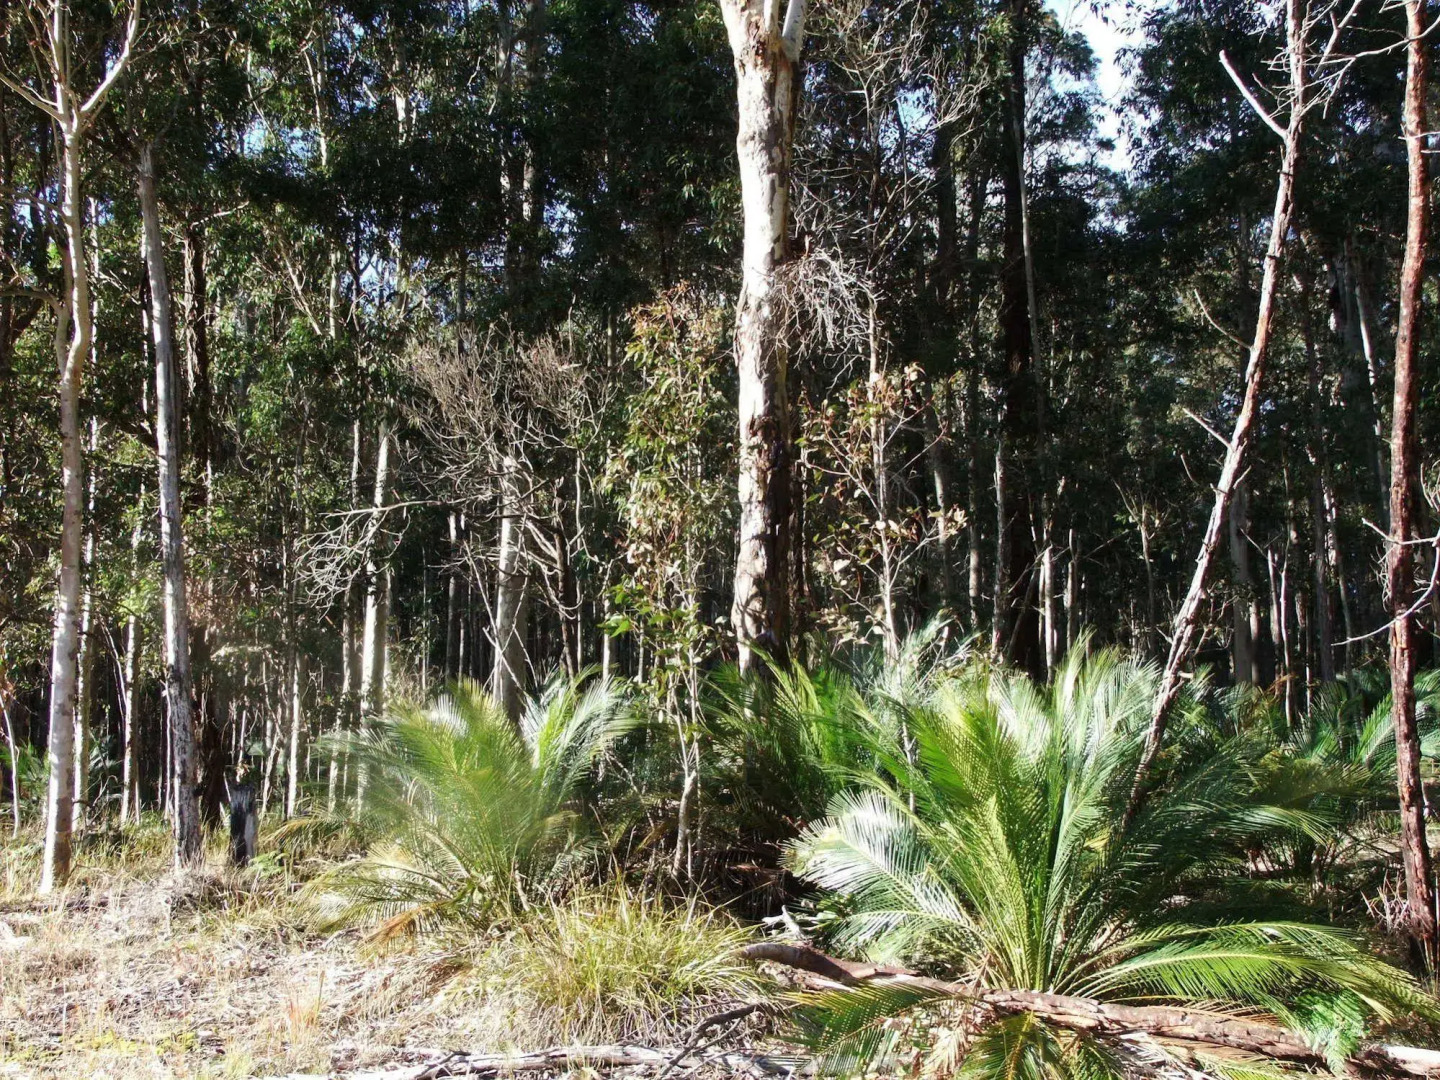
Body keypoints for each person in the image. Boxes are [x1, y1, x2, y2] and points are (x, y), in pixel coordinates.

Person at [227, 762, 257, 867]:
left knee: (247, 839)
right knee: (236, 839)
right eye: (240, 771)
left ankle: (249, 863)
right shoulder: (234, 787)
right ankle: (236, 863)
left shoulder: (250, 788)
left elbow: (251, 802)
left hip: (248, 816)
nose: (242, 774)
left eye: (245, 772)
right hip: (236, 815)